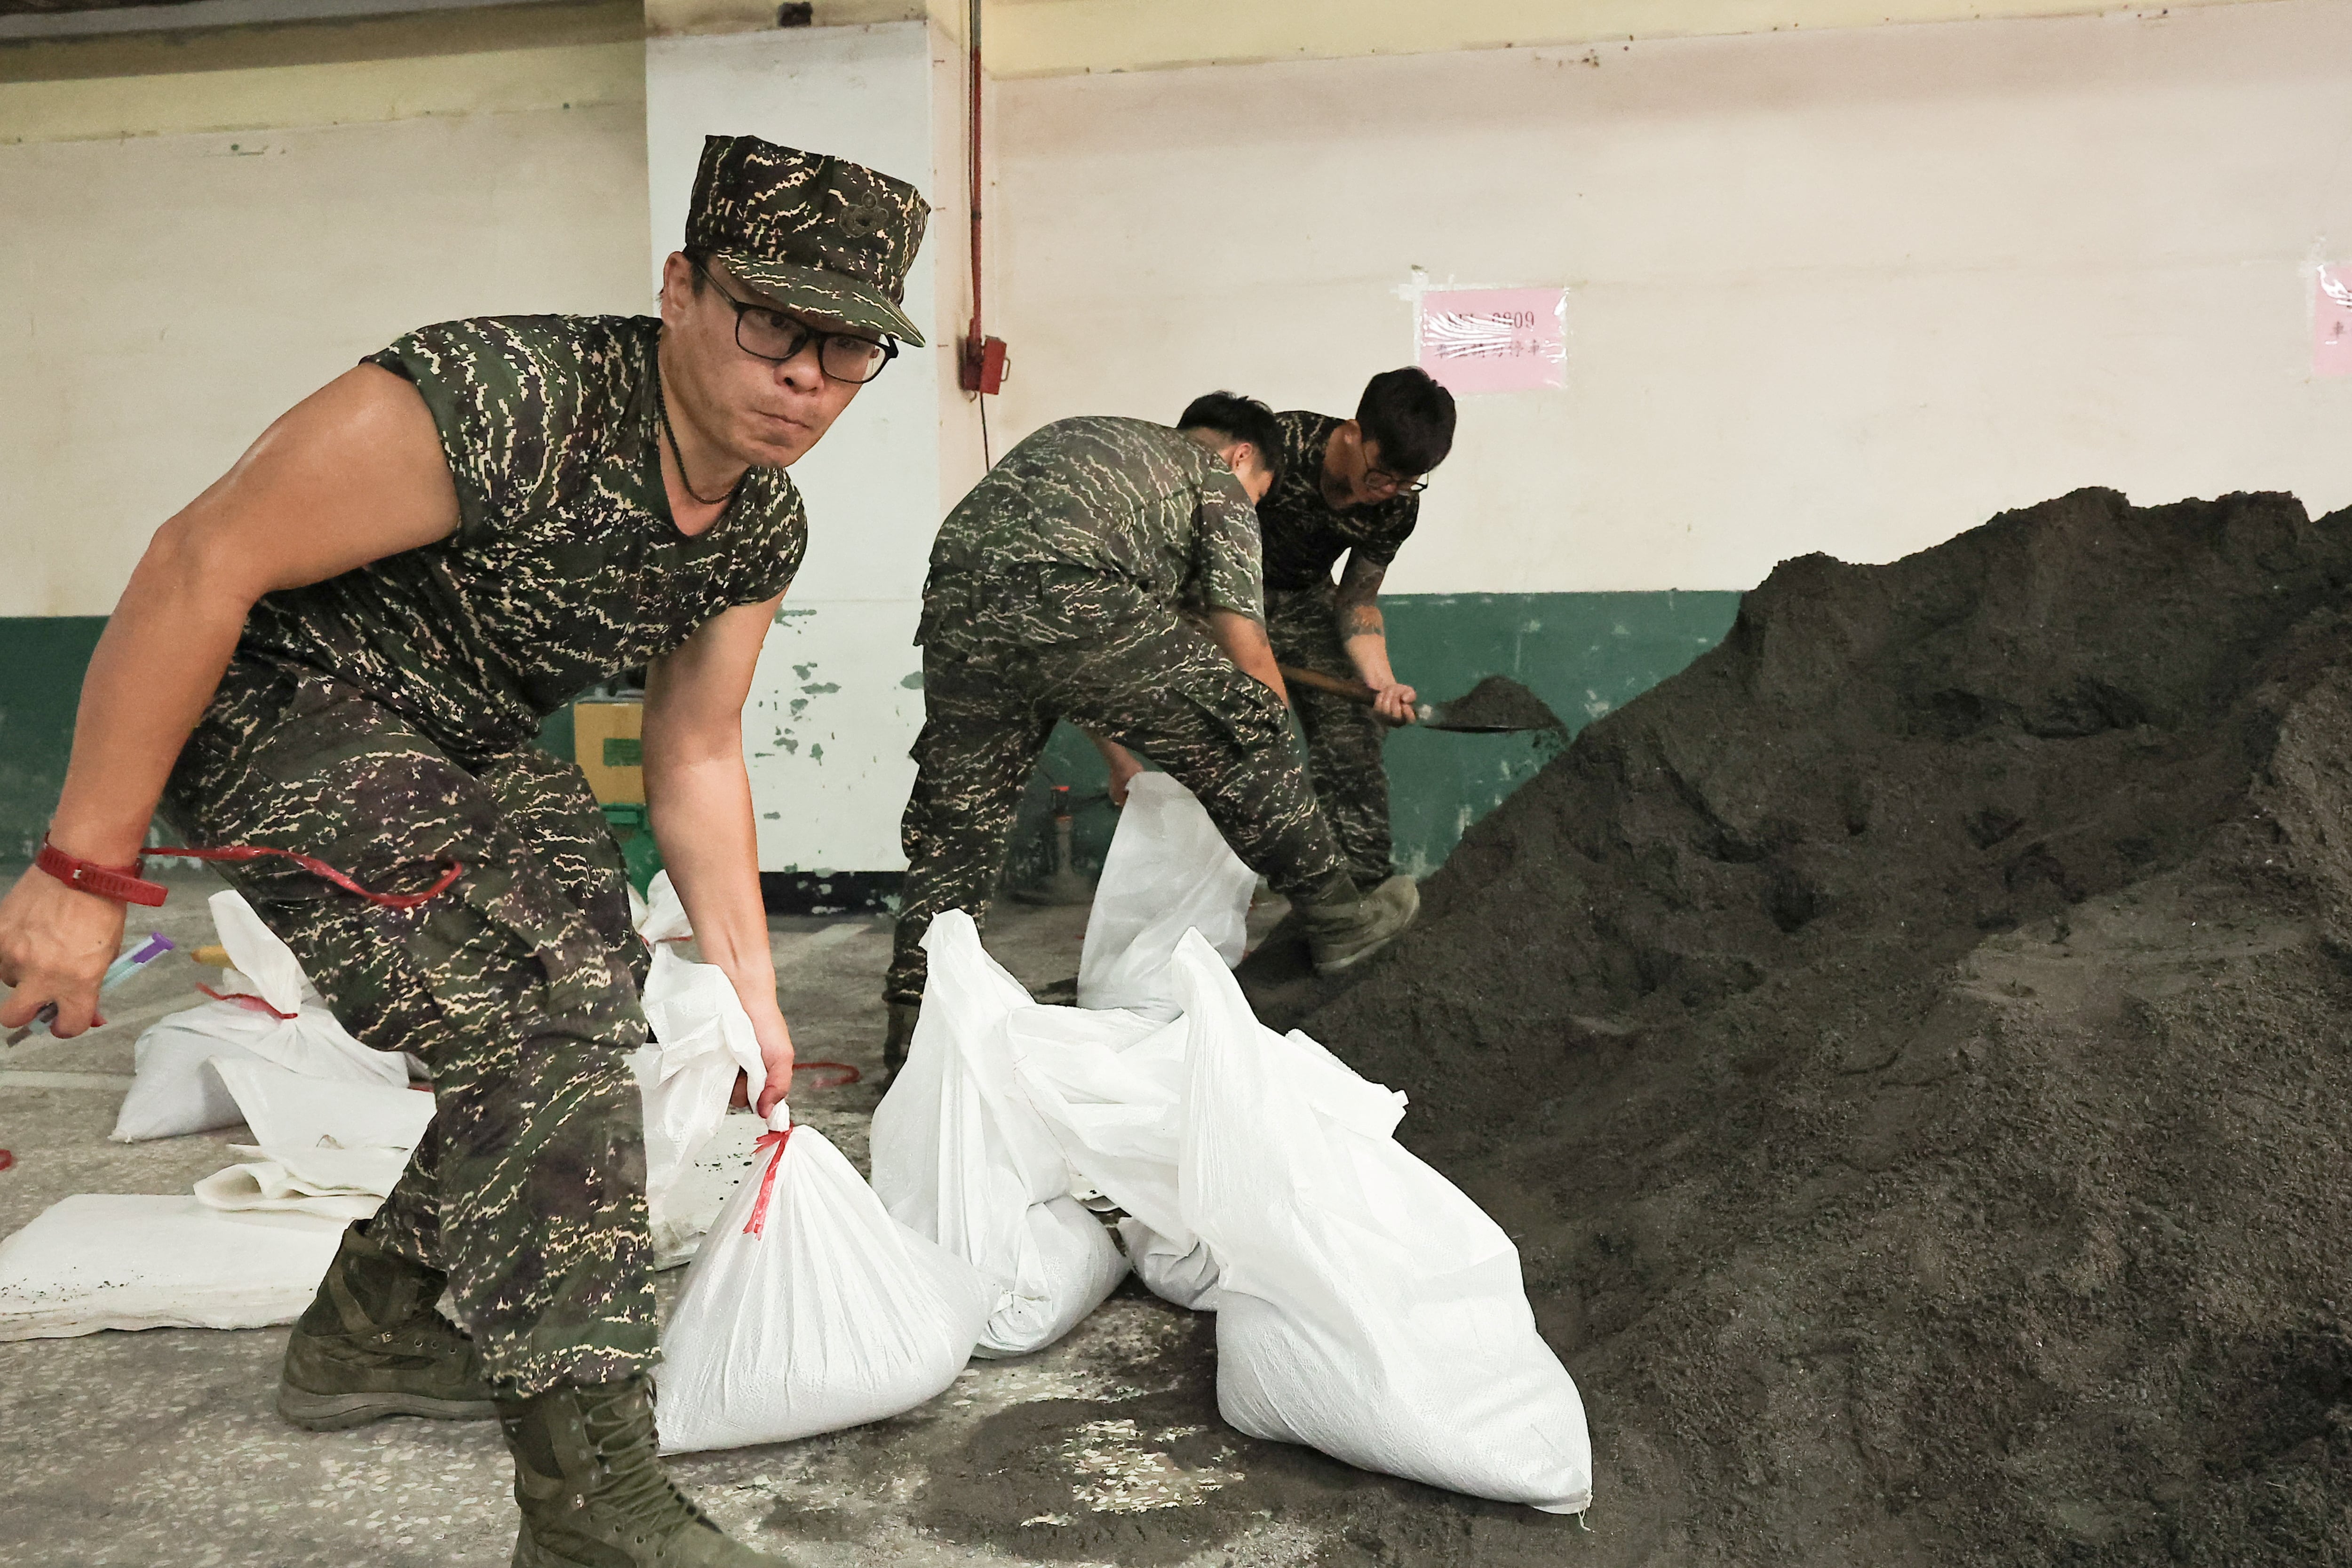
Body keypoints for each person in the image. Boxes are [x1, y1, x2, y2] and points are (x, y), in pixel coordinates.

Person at [0, 135, 925, 1568]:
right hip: (278, 702)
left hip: (465, 741)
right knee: (525, 1007)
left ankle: (375, 1314)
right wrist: (82, 877)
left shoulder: (756, 519)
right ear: (682, 287)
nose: (805, 377)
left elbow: (692, 746)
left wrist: (753, 983)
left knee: (590, 993)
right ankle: (590, 1505)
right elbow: (197, 562)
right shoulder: (500, 398)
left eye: (848, 348)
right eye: (772, 323)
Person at [883, 393, 1421, 1069]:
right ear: (1242, 456)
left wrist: (1117, 760)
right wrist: (1274, 755)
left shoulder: (1088, 438)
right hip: (1074, 590)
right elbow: (1246, 649)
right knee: (1245, 726)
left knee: (960, 823)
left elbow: (1064, 662)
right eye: (1259, 494)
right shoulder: (1216, 482)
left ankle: (917, 1033)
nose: (1253, 506)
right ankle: (1340, 920)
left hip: (958, 596)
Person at [1254, 368, 1456, 889]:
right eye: (1381, 473)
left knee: (1351, 737)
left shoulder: (1396, 506)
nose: (1388, 491)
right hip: (1216, 596)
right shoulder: (1278, 448)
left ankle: (1356, 899)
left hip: (1301, 598)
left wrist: (1381, 683)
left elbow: (1357, 600)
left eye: (1407, 481)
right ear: (1351, 434)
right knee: (1239, 737)